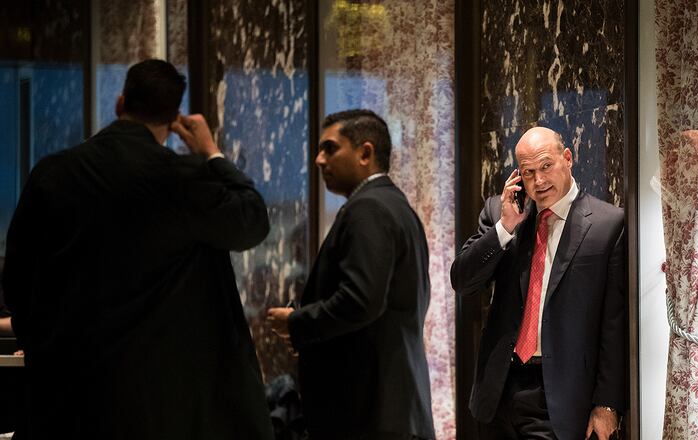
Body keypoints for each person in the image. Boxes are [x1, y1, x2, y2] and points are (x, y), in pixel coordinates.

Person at [2, 59, 274, 440]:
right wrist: (211, 153)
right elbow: (252, 221)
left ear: (120, 102)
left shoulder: (52, 173)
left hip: (65, 393)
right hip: (156, 402)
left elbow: (16, 279)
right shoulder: (182, 179)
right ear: (174, 117)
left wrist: (43, 344)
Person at [267, 109, 435, 440]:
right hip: (389, 409)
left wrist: (297, 322)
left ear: (365, 153)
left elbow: (361, 300)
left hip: (368, 414)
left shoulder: (369, 208)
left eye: (330, 148)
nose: (318, 160)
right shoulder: (394, 205)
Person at [451, 127, 626, 440]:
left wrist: (608, 404)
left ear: (567, 158)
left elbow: (614, 324)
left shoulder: (608, 224)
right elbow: (463, 281)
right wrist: (504, 228)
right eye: (528, 172)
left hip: (562, 397)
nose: (539, 182)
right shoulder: (501, 213)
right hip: (498, 393)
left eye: (546, 166)